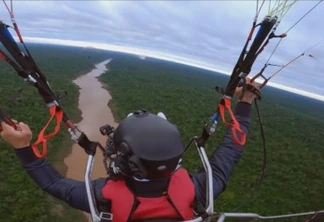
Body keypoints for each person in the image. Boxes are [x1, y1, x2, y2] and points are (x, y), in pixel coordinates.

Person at [0, 79, 260, 222]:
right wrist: (245, 102)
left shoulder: (102, 197)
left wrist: (23, 146)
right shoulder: (198, 190)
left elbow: (53, 184)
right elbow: (231, 149)